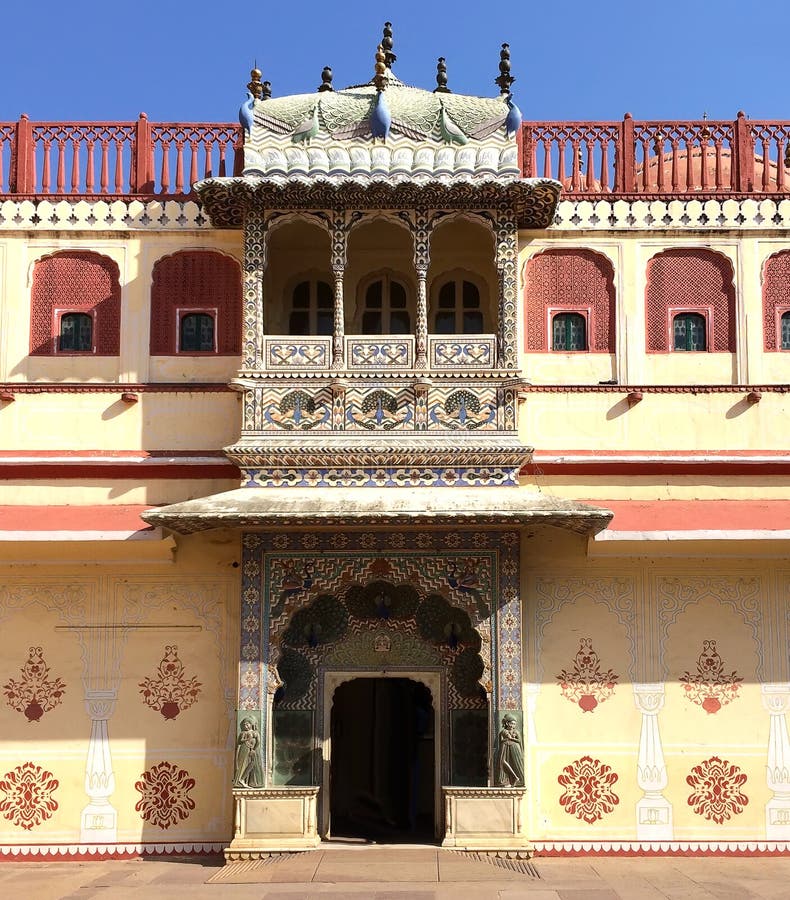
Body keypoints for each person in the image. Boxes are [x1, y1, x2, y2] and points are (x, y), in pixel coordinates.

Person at [234, 717, 264, 788]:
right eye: (244, 725)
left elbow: (258, 742)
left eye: (247, 724)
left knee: (252, 764)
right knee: (243, 764)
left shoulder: (255, 733)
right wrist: (246, 739)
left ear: (251, 724)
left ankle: (245, 780)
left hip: (252, 750)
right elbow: (239, 741)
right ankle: (240, 780)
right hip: (244, 749)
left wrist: (253, 749)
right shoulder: (243, 733)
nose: (246, 726)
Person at [495, 714, 524, 787]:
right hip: (504, 747)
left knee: (515, 762)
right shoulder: (503, 731)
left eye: (514, 724)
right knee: (502, 761)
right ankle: (513, 777)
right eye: (511, 723)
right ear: (507, 723)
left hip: (514, 747)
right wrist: (507, 738)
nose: (512, 725)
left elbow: (519, 741)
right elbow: (500, 740)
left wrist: (511, 738)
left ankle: (516, 778)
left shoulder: (516, 732)